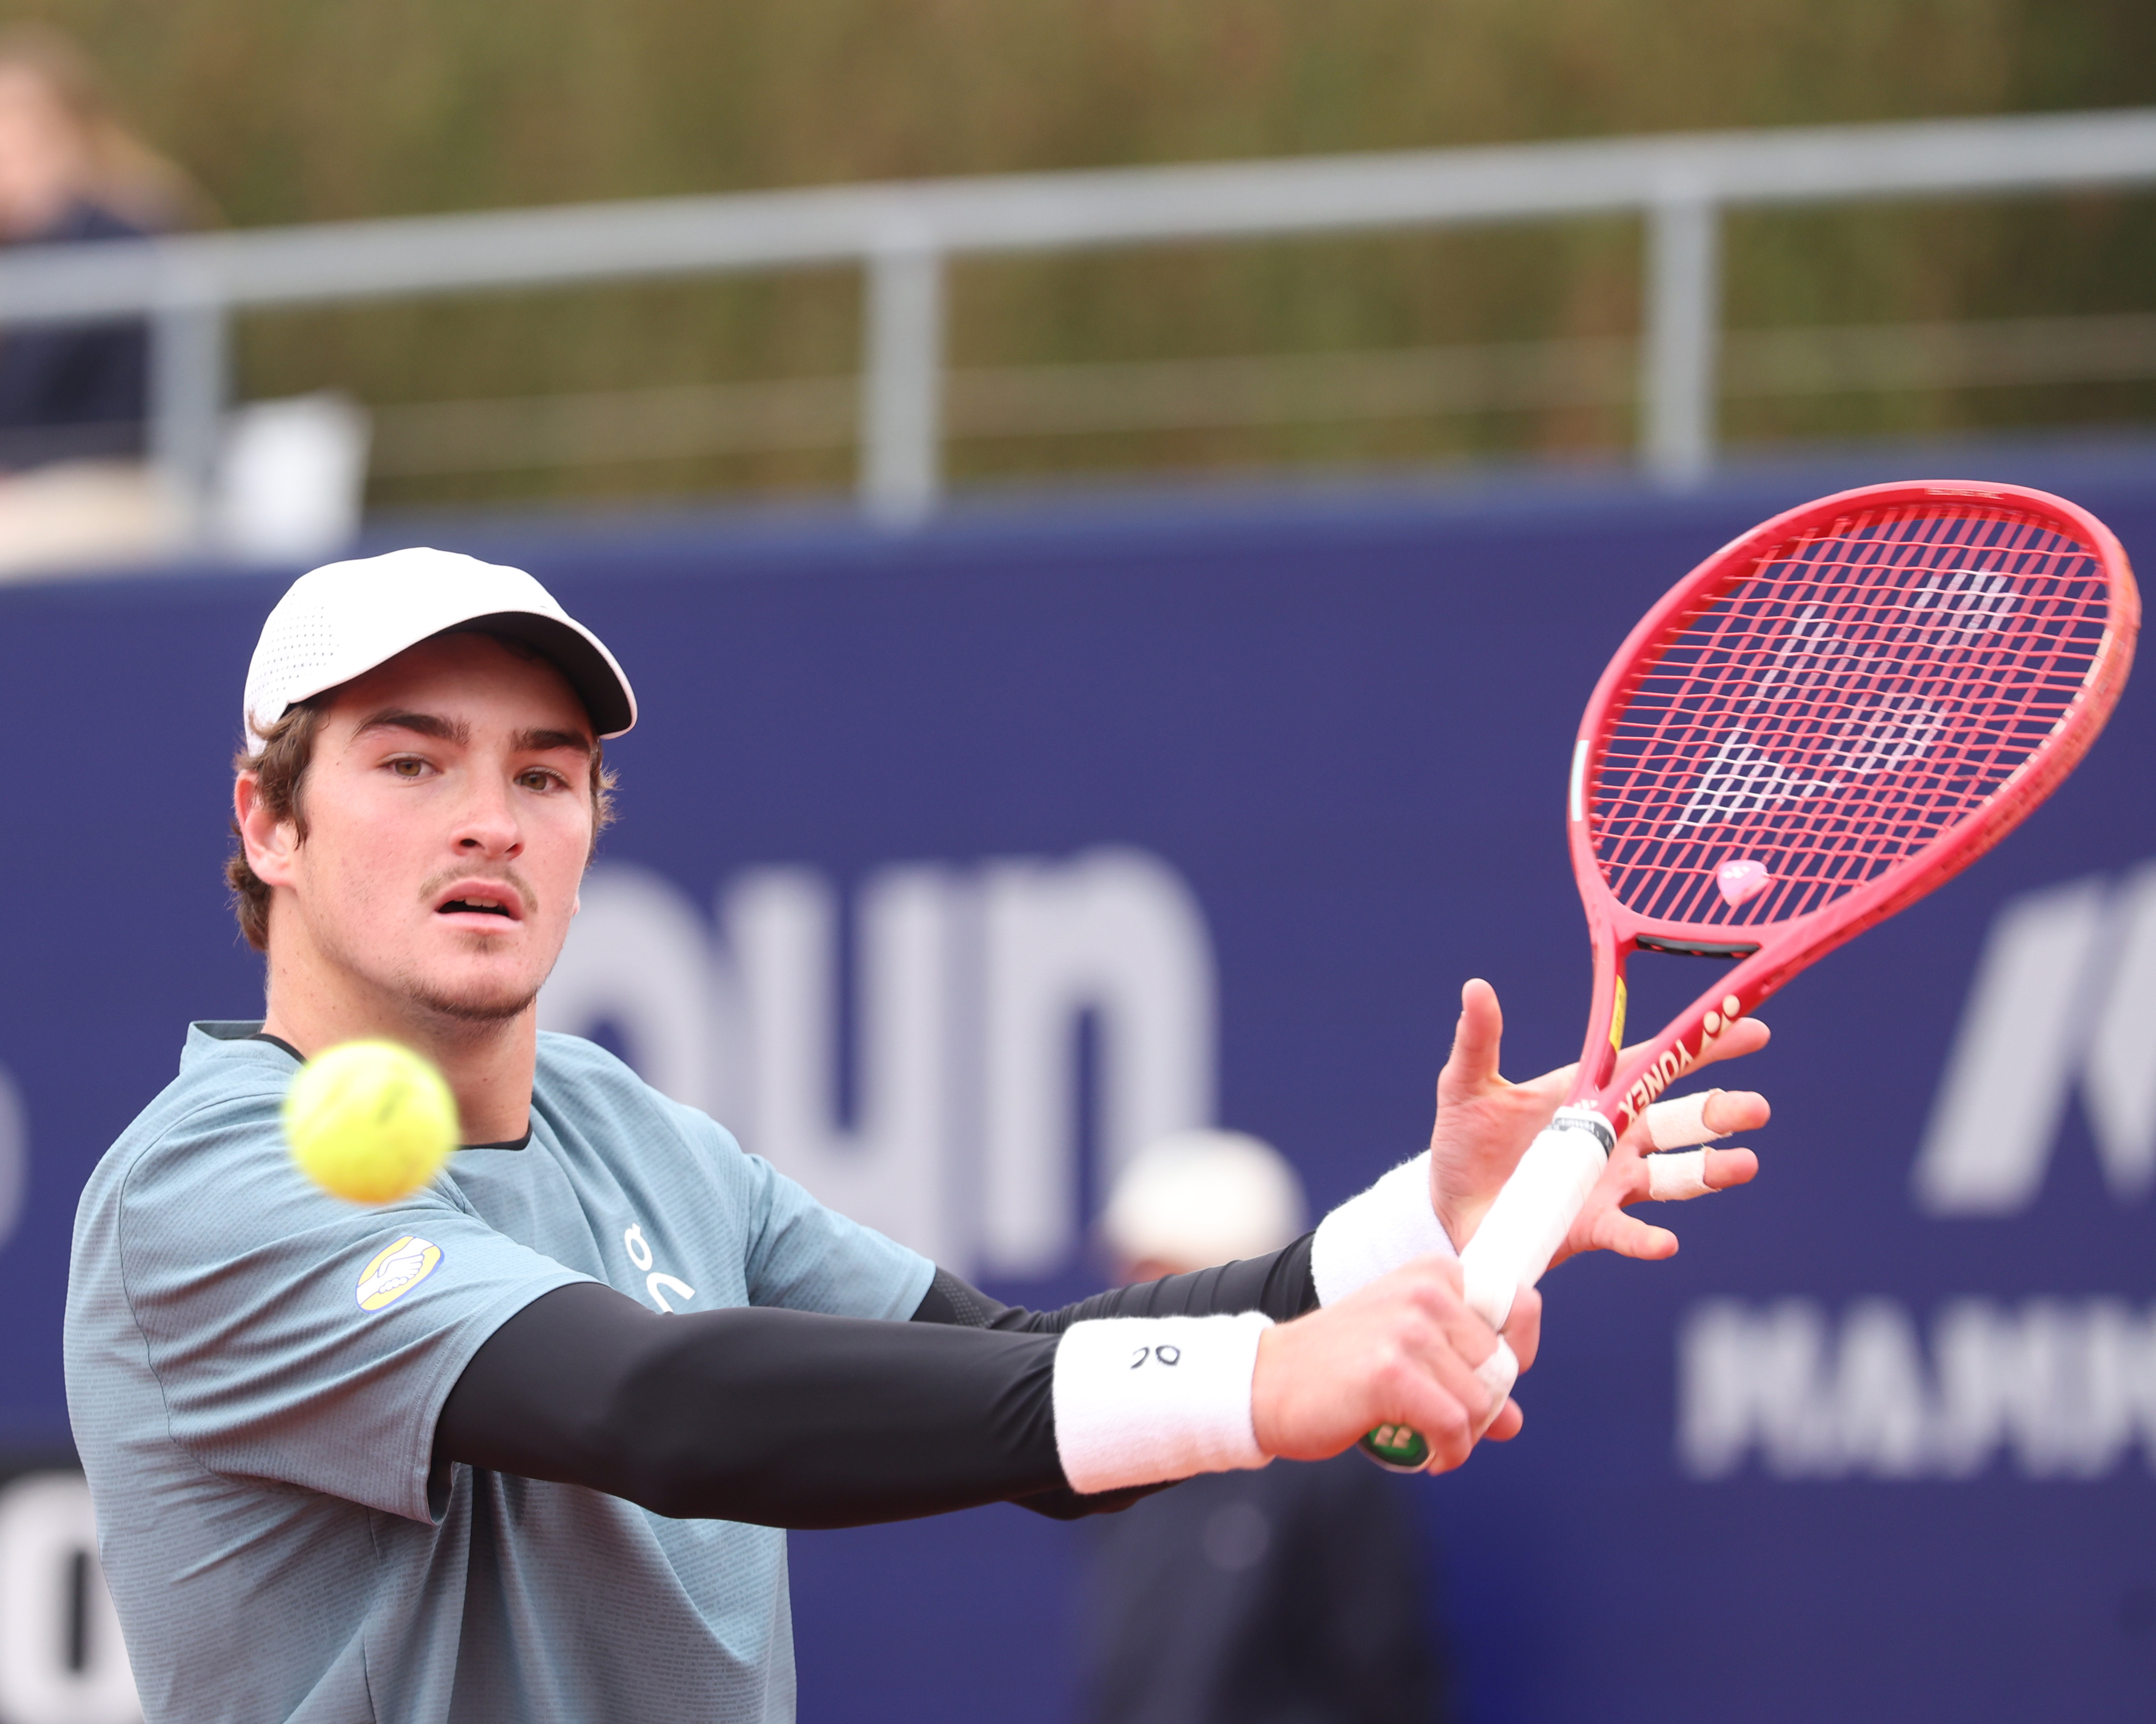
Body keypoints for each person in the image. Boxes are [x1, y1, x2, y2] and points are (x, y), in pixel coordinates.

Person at [63, 547, 1771, 1723]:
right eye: (411, 764)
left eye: (544, 772)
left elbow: (1018, 1373)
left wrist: (1416, 1224)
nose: (489, 821)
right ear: (267, 821)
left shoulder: (636, 1132)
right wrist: (1267, 1381)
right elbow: (653, 1407)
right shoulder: (204, 1186)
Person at [1082, 1130, 1454, 1724]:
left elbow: (1388, 1685)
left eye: (1166, 1281)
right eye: (1132, 1279)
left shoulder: (1331, 1469)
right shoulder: (1122, 1459)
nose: (1133, 1307)